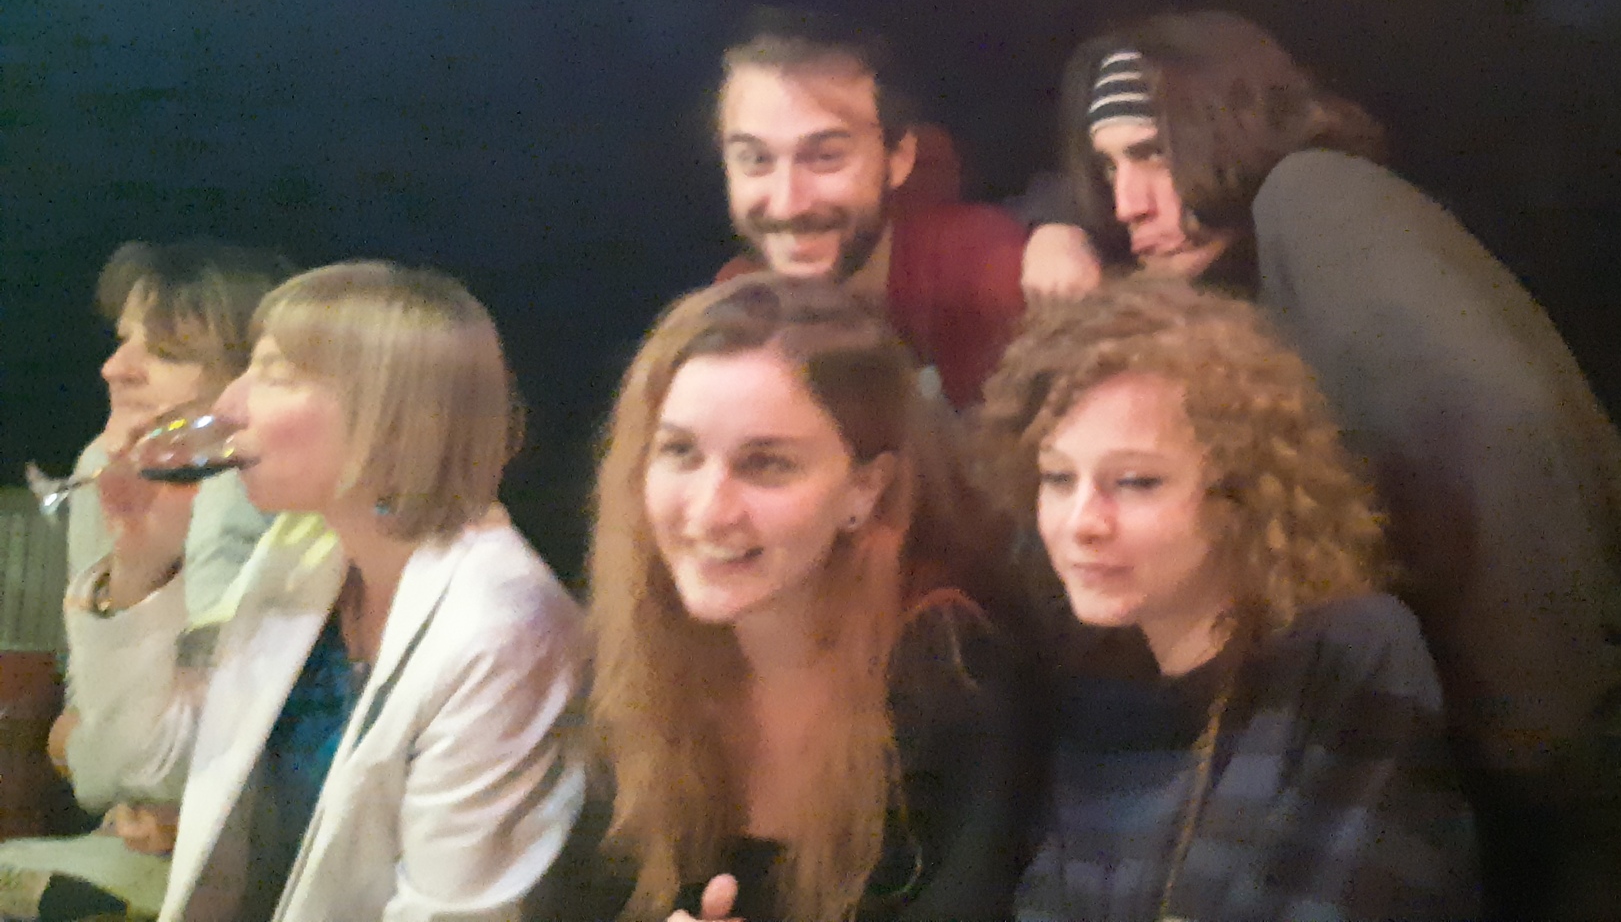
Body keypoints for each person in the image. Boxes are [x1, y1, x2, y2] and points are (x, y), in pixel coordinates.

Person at [1024, 12, 1621, 917]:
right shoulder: (1272, 249)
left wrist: (1519, 747)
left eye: (1153, 155)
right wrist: (1050, 225)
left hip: (1582, 734)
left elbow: (1500, 419)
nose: (1127, 203)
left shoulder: (1316, 198)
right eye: (1110, 168)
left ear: (1230, 126)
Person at [57, 261, 587, 922]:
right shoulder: (304, 557)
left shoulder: (505, 629)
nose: (229, 404)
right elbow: (140, 766)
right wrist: (140, 566)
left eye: (272, 373)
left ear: (389, 412)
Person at [978, 279, 1479, 922]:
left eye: (1135, 482)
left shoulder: (1348, 651)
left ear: (1241, 494)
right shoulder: (1091, 674)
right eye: (1057, 477)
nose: (1082, 523)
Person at [571, 276, 1033, 922]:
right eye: (679, 451)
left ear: (865, 489)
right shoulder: (640, 651)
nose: (709, 511)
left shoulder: (952, 679)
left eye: (767, 464)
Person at [0, 240, 288, 921]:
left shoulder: (270, 497)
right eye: (122, 341)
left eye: (164, 352)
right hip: (143, 841)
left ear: (248, 380)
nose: (114, 368)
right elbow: (85, 738)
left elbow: (229, 748)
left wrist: (144, 782)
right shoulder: (104, 467)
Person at [710, 7, 1026, 407]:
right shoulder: (735, 306)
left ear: (900, 158)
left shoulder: (988, 271)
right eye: (756, 159)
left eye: (826, 156)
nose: (788, 204)